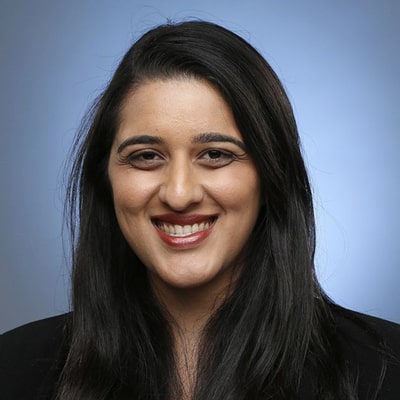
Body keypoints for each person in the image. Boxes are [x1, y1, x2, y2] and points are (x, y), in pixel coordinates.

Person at [0, 20, 399, 400]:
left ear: (270, 175)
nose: (179, 194)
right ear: (106, 179)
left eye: (215, 154)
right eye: (146, 156)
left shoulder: (387, 371)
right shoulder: (12, 368)